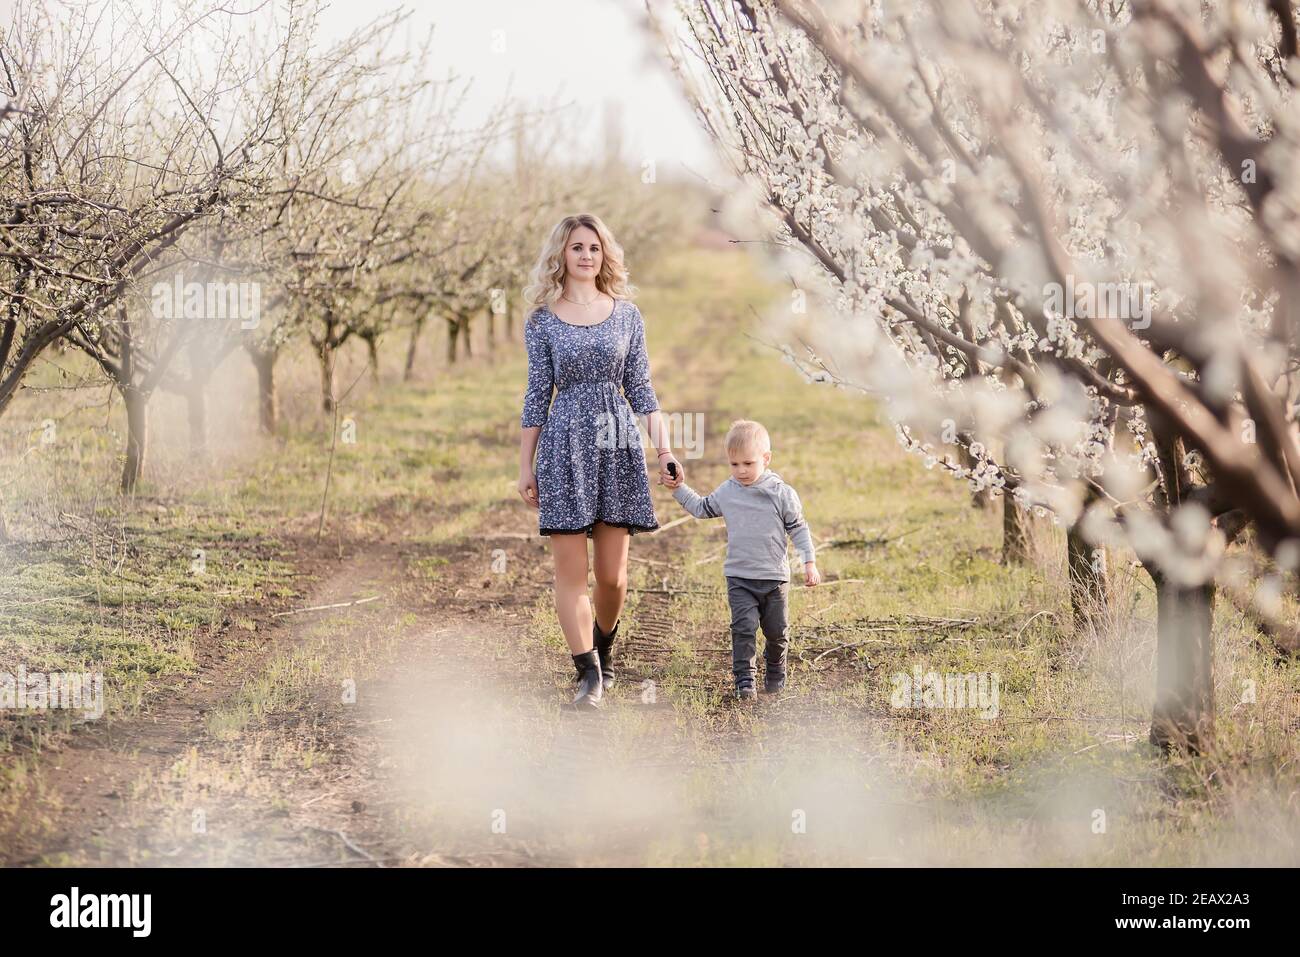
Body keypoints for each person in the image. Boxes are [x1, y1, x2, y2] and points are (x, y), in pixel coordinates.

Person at [517, 213, 683, 709]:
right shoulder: (542, 320)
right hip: (563, 447)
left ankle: (603, 647)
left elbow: (642, 389)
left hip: (616, 446)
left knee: (612, 578)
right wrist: (525, 466)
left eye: (594, 247)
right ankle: (589, 675)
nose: (586, 256)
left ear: (603, 254)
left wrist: (666, 449)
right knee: (571, 574)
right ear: (561, 256)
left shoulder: (627, 315)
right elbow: (535, 396)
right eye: (576, 248)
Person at [667, 419, 819, 699]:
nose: (741, 471)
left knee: (777, 632)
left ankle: (775, 668)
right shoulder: (728, 491)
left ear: (766, 459)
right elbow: (702, 509)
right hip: (740, 577)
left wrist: (809, 561)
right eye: (734, 464)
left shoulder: (781, 494)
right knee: (743, 629)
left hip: (774, 577)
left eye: (748, 464)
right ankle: (744, 681)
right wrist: (678, 489)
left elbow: (798, 528)